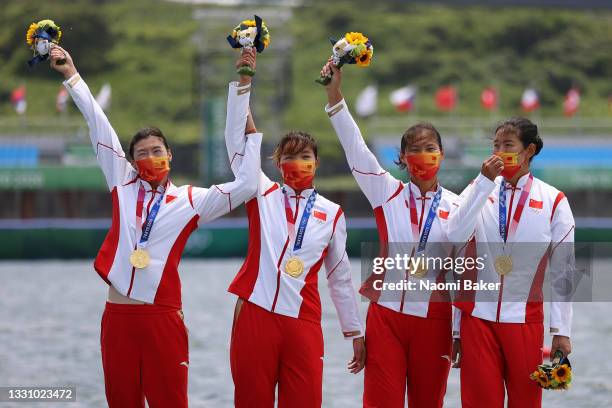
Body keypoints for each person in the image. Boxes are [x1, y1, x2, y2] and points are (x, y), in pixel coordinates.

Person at [49, 45, 261, 407]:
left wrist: (244, 94)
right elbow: (98, 123)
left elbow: (247, 185)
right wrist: (71, 74)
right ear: (130, 161)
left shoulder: (192, 200)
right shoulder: (122, 182)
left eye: (157, 150)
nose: (151, 157)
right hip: (118, 319)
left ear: (170, 155)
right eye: (142, 152)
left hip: (163, 316)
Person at [224, 49, 365, 408]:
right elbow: (239, 141)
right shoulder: (260, 190)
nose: (296, 163)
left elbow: (340, 276)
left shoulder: (332, 213)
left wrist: (355, 332)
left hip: (303, 321)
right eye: (287, 156)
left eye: (304, 156)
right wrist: (243, 82)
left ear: (316, 163)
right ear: (276, 162)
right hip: (255, 313)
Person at [321, 61, 458, 408]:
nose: (422, 155)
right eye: (413, 149)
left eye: (429, 148)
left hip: (435, 320)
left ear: (441, 155)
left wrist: (460, 332)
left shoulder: (460, 206)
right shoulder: (386, 192)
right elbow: (355, 149)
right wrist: (334, 95)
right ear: (400, 157)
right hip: (386, 320)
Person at [447, 117, 575, 407]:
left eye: (508, 145)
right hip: (477, 319)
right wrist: (482, 184)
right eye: (495, 145)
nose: (499, 151)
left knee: (526, 402)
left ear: (528, 150)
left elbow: (563, 271)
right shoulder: (478, 189)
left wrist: (561, 331)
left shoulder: (554, 200)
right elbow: (454, 235)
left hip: (525, 321)